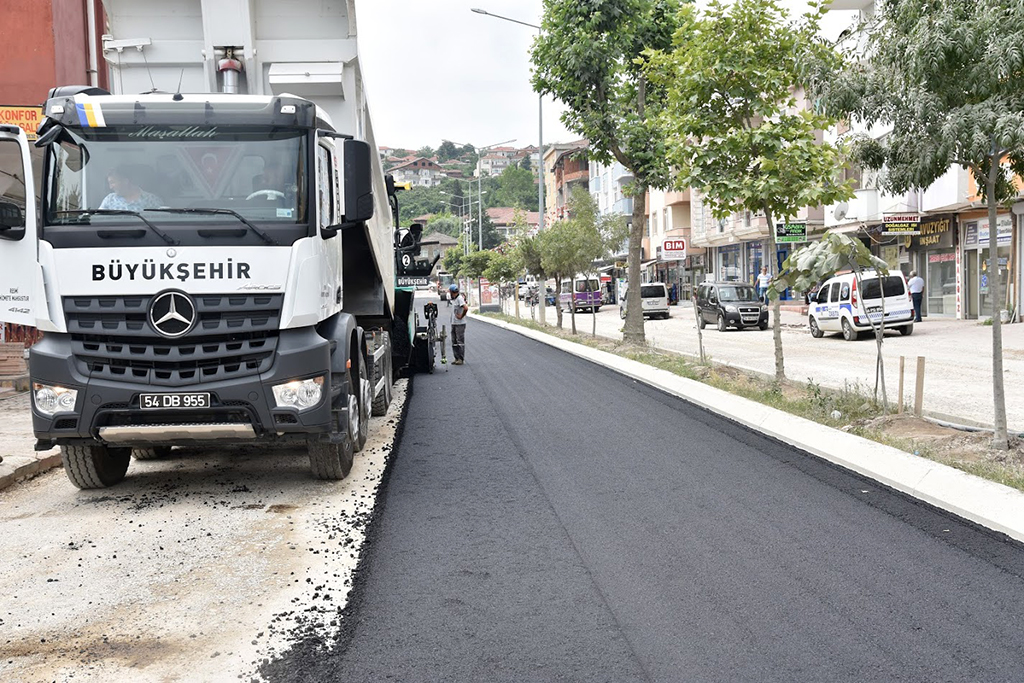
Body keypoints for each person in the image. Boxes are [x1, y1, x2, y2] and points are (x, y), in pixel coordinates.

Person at [449, 283, 468, 365]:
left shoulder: (459, 298)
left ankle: (460, 358)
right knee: (454, 341)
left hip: (460, 324)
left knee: (459, 341)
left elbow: (466, 308)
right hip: (454, 323)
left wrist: (461, 316)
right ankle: (456, 357)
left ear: (452, 291)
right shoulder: (454, 299)